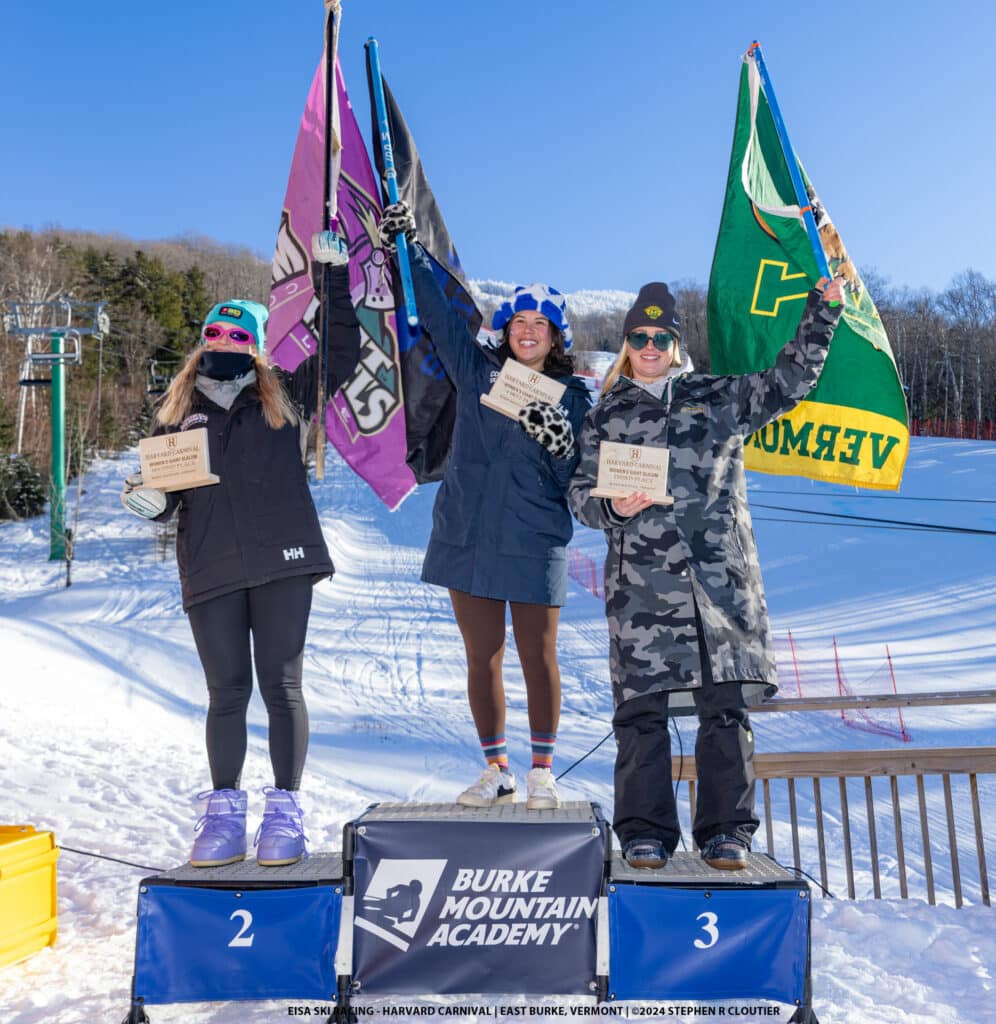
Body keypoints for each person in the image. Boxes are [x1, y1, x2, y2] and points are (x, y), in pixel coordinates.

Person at [569, 277, 844, 869]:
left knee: (724, 709)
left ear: (675, 343)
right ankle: (644, 833)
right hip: (642, 591)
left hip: (720, 586)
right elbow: (580, 496)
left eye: (659, 337)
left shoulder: (718, 395)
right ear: (626, 345)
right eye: (638, 337)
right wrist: (613, 508)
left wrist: (822, 313)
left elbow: (790, 380)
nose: (648, 346)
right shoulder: (605, 417)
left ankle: (727, 833)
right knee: (641, 714)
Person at [121, 263, 361, 867]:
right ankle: (224, 817)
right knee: (226, 692)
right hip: (211, 566)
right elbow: (168, 497)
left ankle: (284, 813)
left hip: (284, 560)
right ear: (202, 339)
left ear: (257, 345)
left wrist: (332, 276)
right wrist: (149, 501)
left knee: (282, 687)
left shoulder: (287, 395)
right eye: (215, 333)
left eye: (238, 335)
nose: (224, 342)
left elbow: (342, 350)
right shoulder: (175, 410)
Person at [379, 201, 592, 810]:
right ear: (507, 329)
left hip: (534, 541)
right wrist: (408, 246)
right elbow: (439, 314)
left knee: (538, 656)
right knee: (483, 657)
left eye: (541, 324)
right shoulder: (476, 370)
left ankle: (542, 772)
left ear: (556, 337)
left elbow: (575, 478)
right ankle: (497, 768)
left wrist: (561, 444)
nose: (528, 330)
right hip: (466, 535)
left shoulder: (574, 398)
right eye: (519, 320)